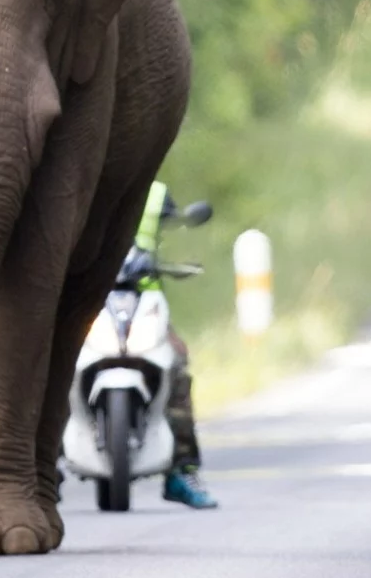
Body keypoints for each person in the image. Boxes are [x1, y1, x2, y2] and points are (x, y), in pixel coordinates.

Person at [133, 180, 219, 510]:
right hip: (89, 299)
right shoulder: (76, 175)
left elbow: (178, 230)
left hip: (144, 299)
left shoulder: (154, 192)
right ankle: (43, 469)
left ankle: (182, 470)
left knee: (175, 365)